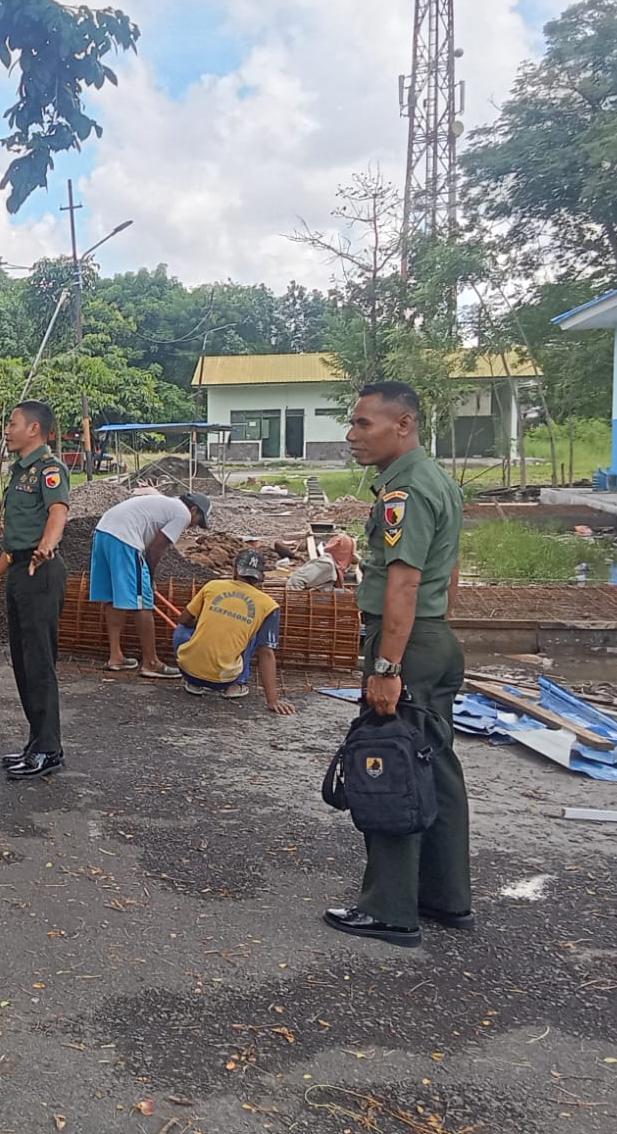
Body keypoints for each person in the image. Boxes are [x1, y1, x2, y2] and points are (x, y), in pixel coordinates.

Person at [324, 381, 469, 949]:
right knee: (437, 768)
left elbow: (405, 583)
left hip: (403, 645)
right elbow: (449, 572)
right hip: (432, 639)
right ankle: (445, 897)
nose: (352, 434)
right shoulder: (439, 482)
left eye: (363, 423)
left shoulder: (403, 492)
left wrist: (387, 664)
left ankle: (389, 909)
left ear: (403, 423)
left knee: (390, 766)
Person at [0, 400, 71, 779]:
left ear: (34, 429)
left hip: (41, 571)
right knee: (24, 662)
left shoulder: (49, 469)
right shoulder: (19, 472)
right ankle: (36, 743)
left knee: (39, 663)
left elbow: (57, 511)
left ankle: (49, 749)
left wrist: (48, 544)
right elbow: (14, 540)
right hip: (19, 569)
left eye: (12, 423)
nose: (7, 429)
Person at [89, 491, 212, 676]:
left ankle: (116, 657)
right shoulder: (182, 513)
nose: (193, 526)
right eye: (198, 521)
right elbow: (156, 548)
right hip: (125, 538)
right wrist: (150, 579)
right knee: (143, 603)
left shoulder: (166, 504)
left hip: (103, 532)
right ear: (193, 509)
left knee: (113, 597)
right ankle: (151, 662)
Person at [171, 549, 296, 714]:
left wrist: (206, 622)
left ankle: (194, 683)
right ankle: (237, 685)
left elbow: (183, 620)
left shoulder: (213, 585)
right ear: (261, 577)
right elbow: (266, 653)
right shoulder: (269, 605)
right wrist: (272, 700)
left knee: (183, 629)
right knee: (251, 634)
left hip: (188, 671)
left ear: (235, 569)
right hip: (223, 680)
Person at [286, 532, 356, 591]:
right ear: (343, 553)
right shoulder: (327, 565)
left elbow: (324, 587)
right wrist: (297, 601)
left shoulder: (334, 566)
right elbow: (296, 580)